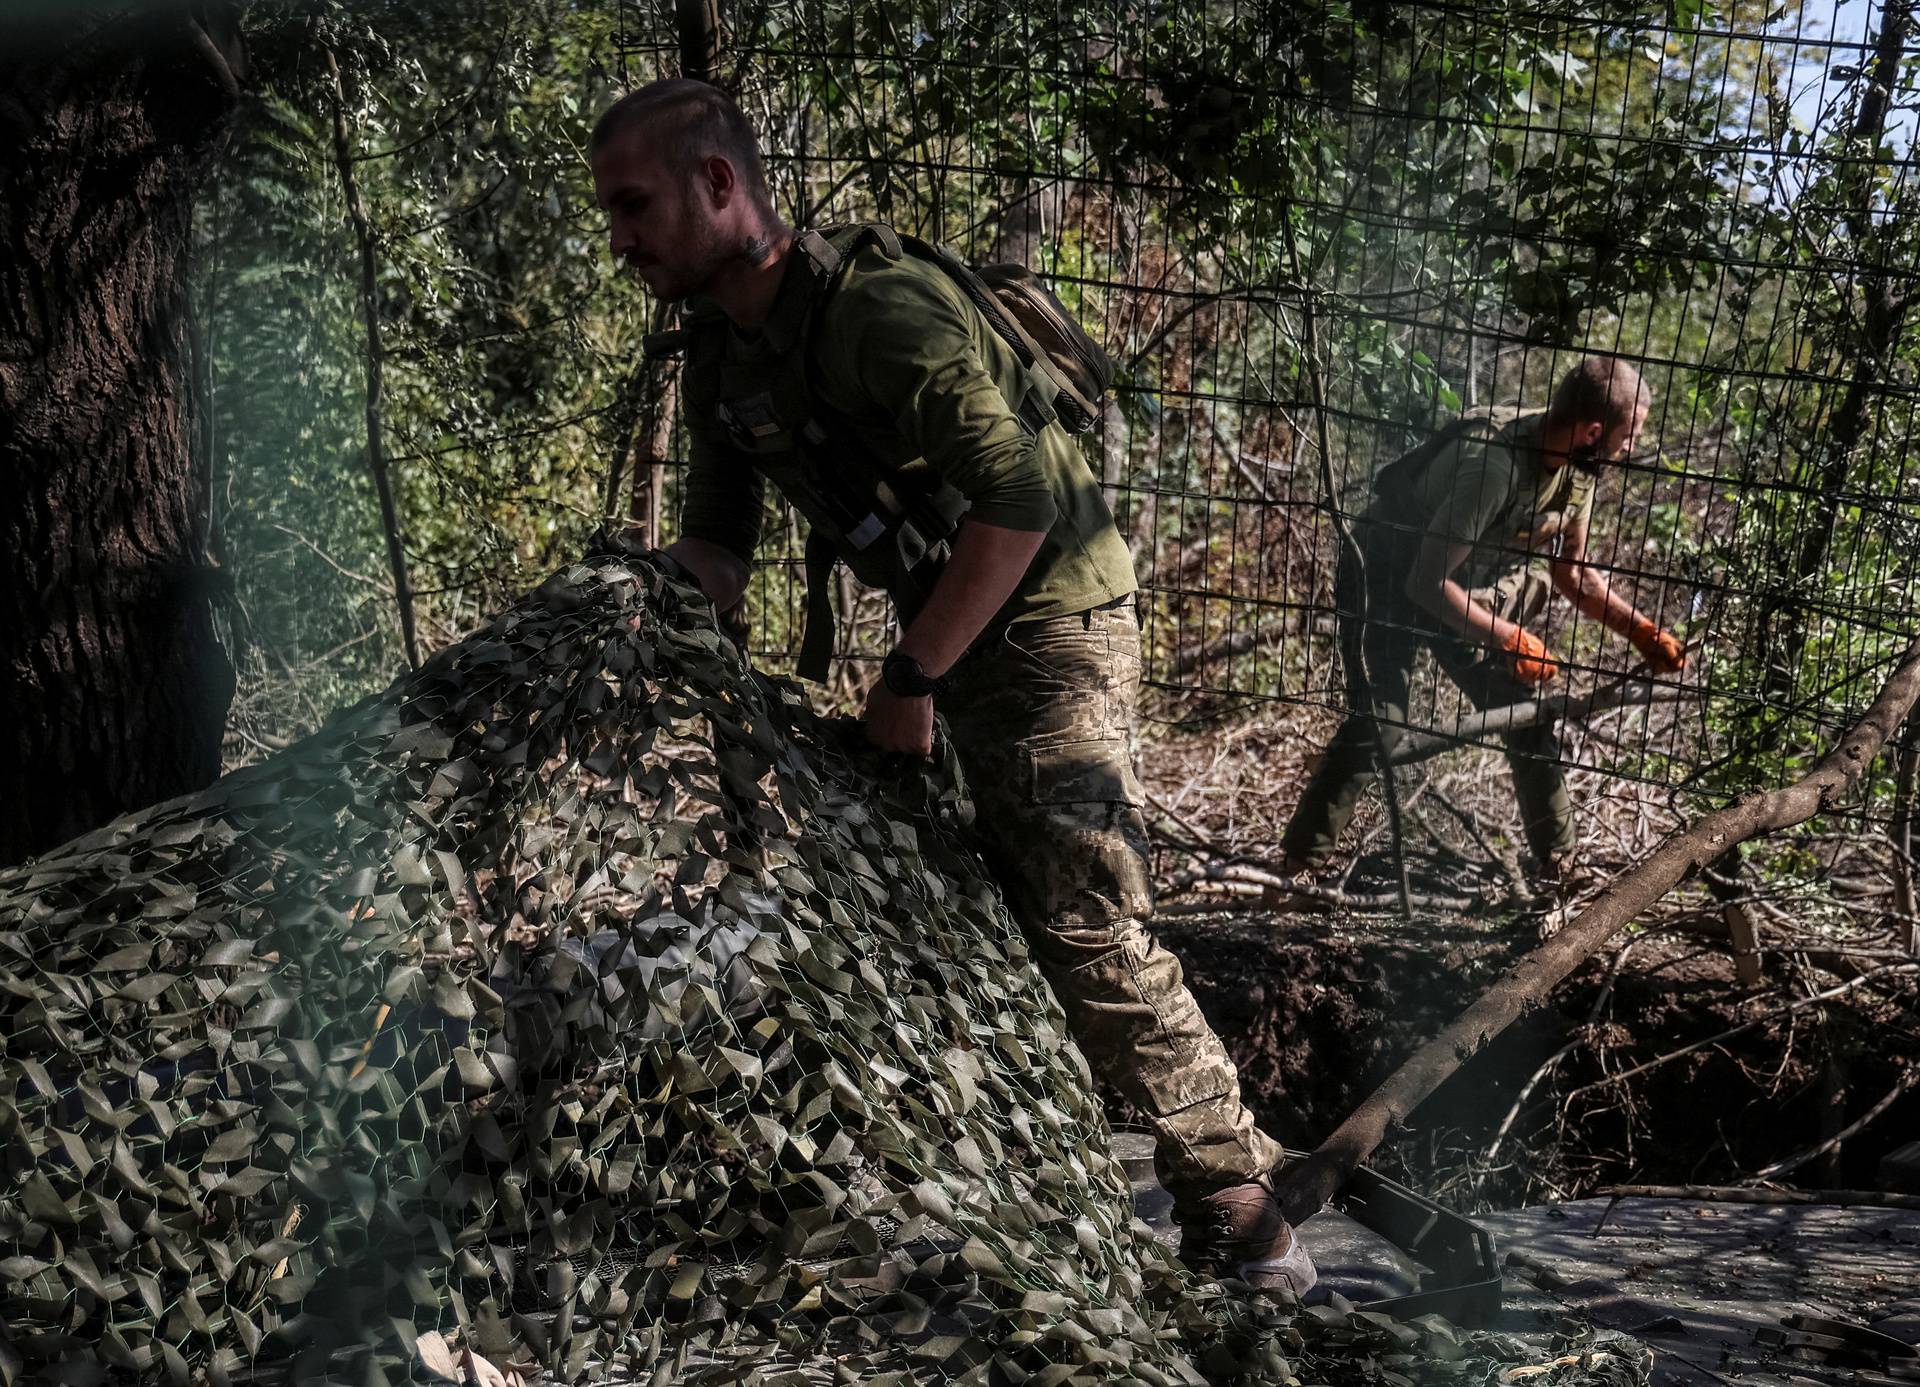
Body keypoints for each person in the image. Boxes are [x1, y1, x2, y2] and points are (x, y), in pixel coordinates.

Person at [587, 79, 1314, 1293]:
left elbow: (1022, 499)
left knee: (1081, 914)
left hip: (1050, 607)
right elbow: (717, 554)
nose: (620, 239)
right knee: (968, 902)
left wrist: (913, 671)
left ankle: (1240, 1208)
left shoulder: (879, 312)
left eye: (635, 205)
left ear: (721, 184)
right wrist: (623, 602)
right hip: (950, 619)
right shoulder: (721, 353)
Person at [1279, 358, 1686, 888]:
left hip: (1455, 584)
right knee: (1383, 718)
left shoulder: (1576, 469)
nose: (1628, 447)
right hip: (1384, 575)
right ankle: (1296, 873)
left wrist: (1642, 632)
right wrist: (1508, 636)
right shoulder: (1493, 467)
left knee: (1523, 712)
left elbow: (1573, 572)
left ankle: (1558, 866)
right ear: (1593, 431)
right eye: (1627, 435)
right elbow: (1422, 584)